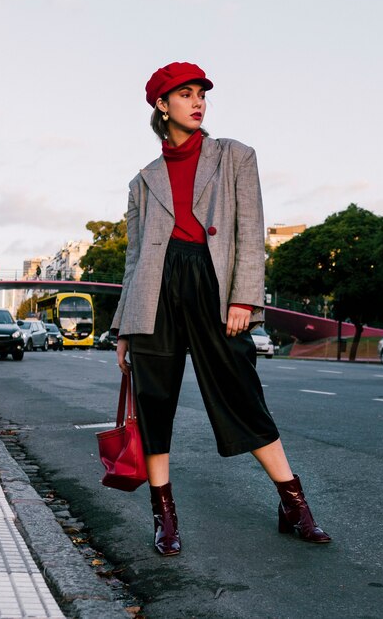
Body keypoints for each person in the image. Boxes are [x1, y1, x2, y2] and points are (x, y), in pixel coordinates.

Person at [113, 62, 331, 556]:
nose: (197, 102)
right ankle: (164, 515)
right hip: (155, 294)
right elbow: (133, 260)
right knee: (155, 403)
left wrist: (243, 297)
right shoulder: (142, 181)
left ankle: (293, 502)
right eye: (184, 94)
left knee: (241, 394)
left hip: (214, 287)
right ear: (161, 106)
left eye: (201, 94)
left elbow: (250, 232)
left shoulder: (235, 156)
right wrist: (124, 327)